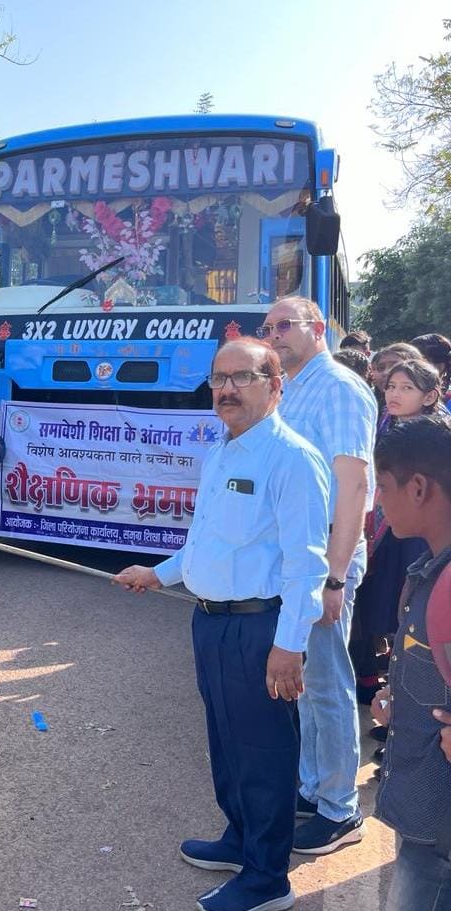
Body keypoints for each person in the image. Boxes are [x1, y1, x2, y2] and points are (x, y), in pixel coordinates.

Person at [115, 337, 330, 911]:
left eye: (242, 377)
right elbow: (204, 543)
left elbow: (308, 563)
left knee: (263, 752)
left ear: (275, 385)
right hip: (210, 623)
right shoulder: (222, 452)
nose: (226, 389)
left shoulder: (292, 458)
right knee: (227, 742)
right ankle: (240, 839)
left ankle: (267, 879)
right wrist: (157, 574)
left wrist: (289, 646)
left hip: (261, 630)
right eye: (218, 378)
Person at [258, 296, 378, 854]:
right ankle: (314, 787)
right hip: (298, 555)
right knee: (305, 685)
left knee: (327, 685)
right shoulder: (294, 386)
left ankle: (339, 809)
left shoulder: (338, 388)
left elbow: (353, 487)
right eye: (268, 328)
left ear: (319, 328)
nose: (274, 335)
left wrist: (334, 577)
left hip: (327, 556)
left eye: (285, 325)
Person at [370, 415, 451, 911]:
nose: (377, 500)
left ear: (418, 488)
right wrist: (399, 694)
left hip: (439, 836)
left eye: (382, 486)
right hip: (425, 816)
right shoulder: (430, 569)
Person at [351, 360, 439, 701]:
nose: (394, 394)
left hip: (418, 537)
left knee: (415, 612)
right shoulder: (384, 427)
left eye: (406, 388)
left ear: (429, 396)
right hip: (386, 530)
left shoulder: (434, 435)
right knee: (383, 607)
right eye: (390, 386)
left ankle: (414, 696)